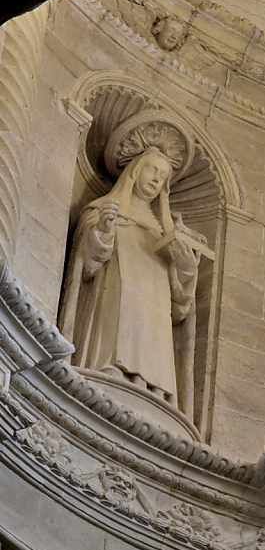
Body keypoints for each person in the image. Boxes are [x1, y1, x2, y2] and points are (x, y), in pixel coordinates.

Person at [59, 114, 202, 415]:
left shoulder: (165, 233)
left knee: (153, 325)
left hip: (155, 312)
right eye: (152, 170)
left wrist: (187, 267)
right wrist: (105, 230)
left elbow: (180, 306)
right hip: (114, 302)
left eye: (162, 177)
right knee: (118, 319)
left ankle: (155, 390)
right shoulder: (103, 210)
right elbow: (86, 269)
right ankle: (109, 369)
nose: (155, 179)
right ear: (135, 171)